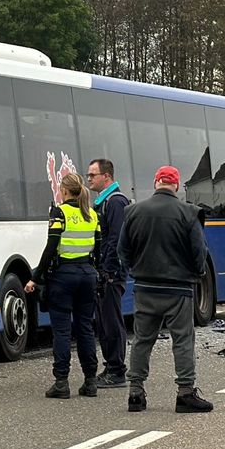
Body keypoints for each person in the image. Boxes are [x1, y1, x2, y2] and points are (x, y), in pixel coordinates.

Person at [118, 165, 213, 414]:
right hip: (179, 289)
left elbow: (122, 251)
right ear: (177, 185)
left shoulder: (133, 211)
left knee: (142, 340)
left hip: (145, 287)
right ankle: (185, 393)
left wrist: (136, 270)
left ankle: (135, 393)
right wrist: (198, 273)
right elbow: (198, 252)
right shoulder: (189, 213)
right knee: (182, 340)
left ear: (155, 182)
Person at [26, 173, 101, 399]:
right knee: (85, 328)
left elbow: (51, 248)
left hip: (63, 276)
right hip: (87, 275)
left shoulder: (59, 213)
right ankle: (90, 381)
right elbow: (98, 250)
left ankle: (61, 382)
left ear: (65, 191)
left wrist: (35, 278)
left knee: (61, 331)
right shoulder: (92, 215)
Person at [85, 158, 131, 389]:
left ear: (107, 176)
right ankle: (112, 365)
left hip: (111, 273)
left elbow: (115, 239)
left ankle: (117, 370)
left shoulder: (115, 202)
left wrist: (108, 270)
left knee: (111, 321)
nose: (89, 179)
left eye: (92, 175)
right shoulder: (103, 202)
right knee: (103, 321)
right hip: (104, 272)